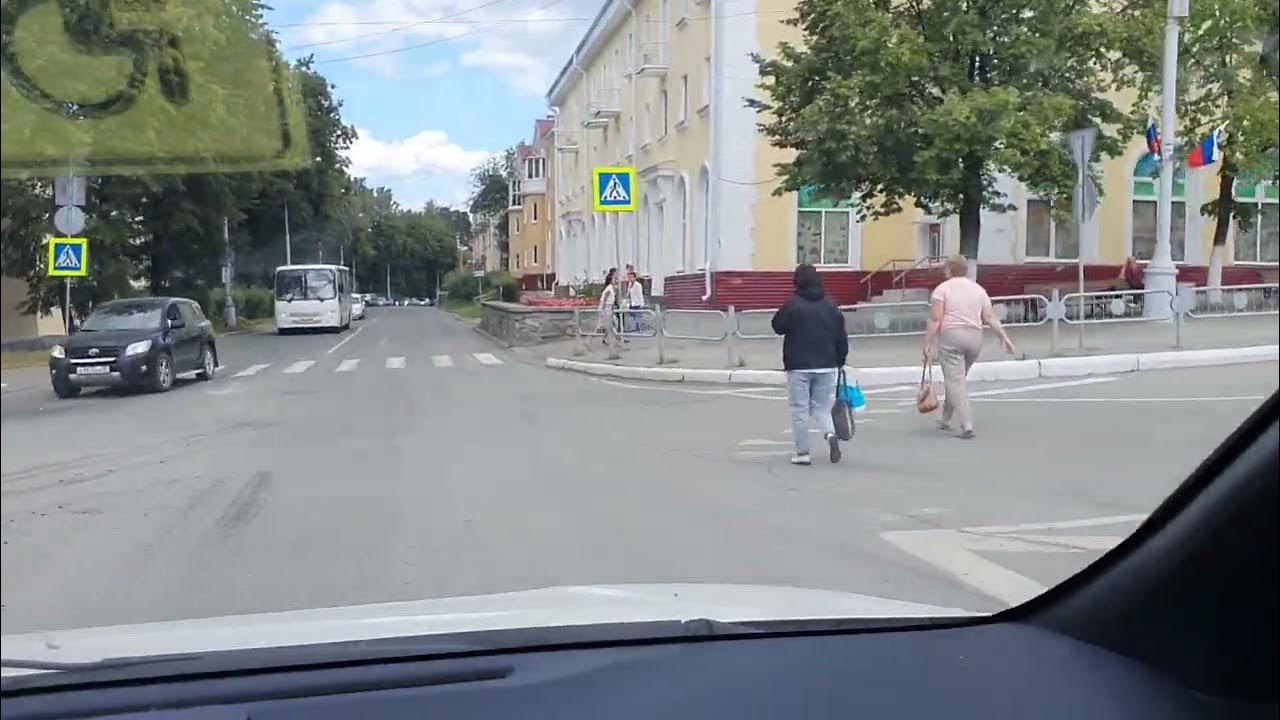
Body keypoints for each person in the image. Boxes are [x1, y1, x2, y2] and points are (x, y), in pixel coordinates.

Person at [922, 255, 1015, 440]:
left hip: (951, 337)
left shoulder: (942, 290)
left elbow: (936, 319)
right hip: (974, 338)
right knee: (957, 378)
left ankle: (966, 425)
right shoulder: (978, 290)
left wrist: (928, 343)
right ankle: (945, 418)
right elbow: (989, 317)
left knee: (955, 380)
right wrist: (1003, 336)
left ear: (949, 270)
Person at [771, 264, 848, 466]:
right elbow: (841, 336)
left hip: (798, 365)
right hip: (826, 364)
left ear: (797, 282)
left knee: (799, 410)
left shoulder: (793, 304)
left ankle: (803, 453)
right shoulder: (831, 305)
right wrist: (841, 360)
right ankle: (830, 434)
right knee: (821, 407)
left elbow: (777, 326)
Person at [597, 268, 619, 346]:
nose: (616, 280)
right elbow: (604, 299)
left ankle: (607, 339)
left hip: (610, 307)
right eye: (614, 279)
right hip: (606, 308)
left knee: (612, 324)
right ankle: (615, 338)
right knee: (609, 325)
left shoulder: (613, 288)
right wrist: (602, 310)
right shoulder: (609, 288)